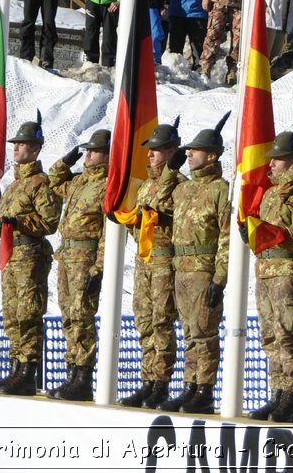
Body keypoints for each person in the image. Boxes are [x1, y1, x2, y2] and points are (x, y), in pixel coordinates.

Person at [242, 123, 293, 423]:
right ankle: (276, 393)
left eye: (278, 158)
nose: (271, 163)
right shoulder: (270, 192)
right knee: (270, 336)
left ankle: (289, 396)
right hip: (266, 269)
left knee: (287, 335)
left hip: (289, 269)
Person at [0, 116, 60, 396]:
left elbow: (49, 222)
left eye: (22, 144)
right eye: (15, 143)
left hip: (30, 256)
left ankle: (27, 371)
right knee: (12, 314)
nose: (16, 148)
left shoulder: (41, 184)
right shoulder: (13, 186)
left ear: (36, 149)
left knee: (28, 315)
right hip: (12, 255)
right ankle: (15, 368)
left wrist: (18, 223)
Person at [118, 121, 185, 409]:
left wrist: (158, 216)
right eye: (150, 150)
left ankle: (161, 382)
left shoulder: (180, 185)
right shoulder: (146, 186)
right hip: (144, 259)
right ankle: (147, 379)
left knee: (161, 320)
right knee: (144, 320)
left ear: (171, 152)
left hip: (164, 260)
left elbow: (180, 222)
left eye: (156, 150)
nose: (150, 155)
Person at [165, 121, 230, 415]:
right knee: (189, 334)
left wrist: (220, 277)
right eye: (188, 150)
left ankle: (204, 389)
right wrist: (170, 170)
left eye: (196, 151)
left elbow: (227, 235)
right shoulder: (183, 189)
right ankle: (190, 385)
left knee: (204, 333)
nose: (189, 154)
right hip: (181, 268)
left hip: (204, 269)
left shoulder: (220, 190)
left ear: (212, 156)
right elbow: (155, 198)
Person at [46, 128, 109, 402]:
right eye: (87, 150)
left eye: (93, 151)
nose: (88, 154)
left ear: (107, 155)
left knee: (82, 316)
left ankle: (83, 375)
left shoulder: (107, 185)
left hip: (85, 258)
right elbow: (53, 180)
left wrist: (99, 267)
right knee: (68, 317)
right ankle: (72, 370)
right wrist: (66, 160)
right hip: (67, 256)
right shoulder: (80, 181)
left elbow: (108, 232)